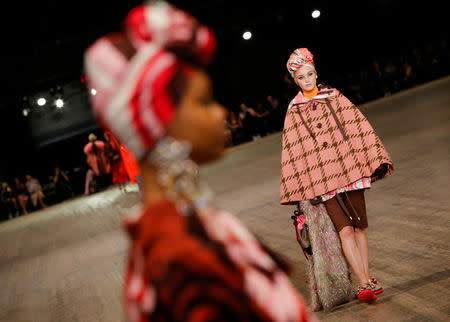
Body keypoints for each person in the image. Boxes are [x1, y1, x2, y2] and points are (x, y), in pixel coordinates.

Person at [84, 2, 313, 321]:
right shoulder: (184, 258)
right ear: (162, 119)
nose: (219, 113)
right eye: (203, 101)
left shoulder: (169, 234)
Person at [282, 48, 394, 304]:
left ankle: (367, 279)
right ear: (295, 80)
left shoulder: (334, 96)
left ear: (316, 72)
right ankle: (363, 282)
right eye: (302, 77)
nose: (307, 80)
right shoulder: (294, 110)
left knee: (359, 228)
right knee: (344, 230)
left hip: (350, 171)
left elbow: (358, 127)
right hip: (322, 180)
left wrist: (374, 158)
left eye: (310, 74)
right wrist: (301, 189)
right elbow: (293, 151)